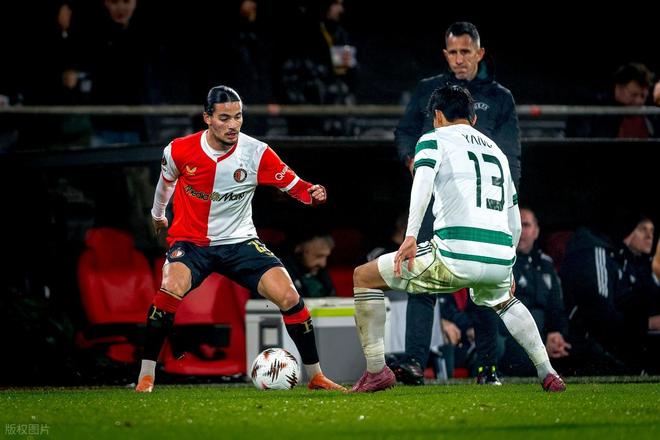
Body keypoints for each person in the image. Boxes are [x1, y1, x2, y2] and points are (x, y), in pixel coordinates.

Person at [351, 84, 565, 393]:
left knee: (363, 277)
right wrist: (509, 266)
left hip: (454, 254)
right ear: (473, 119)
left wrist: (411, 235)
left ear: (438, 116)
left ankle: (376, 371)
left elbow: (421, 186)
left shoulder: (433, 139)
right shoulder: (497, 152)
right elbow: (514, 219)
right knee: (504, 301)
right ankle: (548, 372)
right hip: (498, 257)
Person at [134, 85, 345, 392]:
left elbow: (295, 185)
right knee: (170, 288)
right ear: (208, 118)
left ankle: (315, 376)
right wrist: (158, 215)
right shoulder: (179, 150)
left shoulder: (256, 153)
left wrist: (313, 194)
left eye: (238, 117)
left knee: (289, 296)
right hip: (192, 242)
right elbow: (165, 183)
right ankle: (146, 377)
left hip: (240, 242)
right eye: (224, 118)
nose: (233, 124)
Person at [393, 21, 521, 386]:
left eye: (466, 52)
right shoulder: (428, 90)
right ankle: (414, 363)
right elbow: (404, 133)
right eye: (453, 52)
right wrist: (411, 160)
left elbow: (511, 158)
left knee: (483, 284)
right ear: (445, 54)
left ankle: (487, 367)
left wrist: (508, 205)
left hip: (480, 206)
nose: (459, 59)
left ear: (480, 53)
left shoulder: (500, 98)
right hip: (436, 201)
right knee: (421, 277)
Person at [560, 214, 660, 374]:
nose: (649, 236)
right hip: (589, 341)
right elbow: (601, 314)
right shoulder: (596, 250)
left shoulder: (634, 264)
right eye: (642, 229)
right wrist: (648, 324)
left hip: (616, 337)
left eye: (652, 231)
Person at [497, 208, 571, 376]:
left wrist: (556, 333)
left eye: (526, 225)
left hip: (545, 337)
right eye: (517, 224)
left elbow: (556, 306)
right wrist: (542, 342)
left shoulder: (546, 264)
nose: (521, 230)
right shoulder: (501, 263)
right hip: (513, 338)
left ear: (536, 231)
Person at [565, 62, 656, 138]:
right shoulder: (591, 108)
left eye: (643, 96)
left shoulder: (648, 116)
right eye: (634, 95)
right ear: (619, 88)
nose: (639, 101)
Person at [281, 232, 336, 298]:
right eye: (318, 256)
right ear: (298, 248)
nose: (323, 264)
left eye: (326, 257)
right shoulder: (281, 270)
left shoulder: (320, 272)